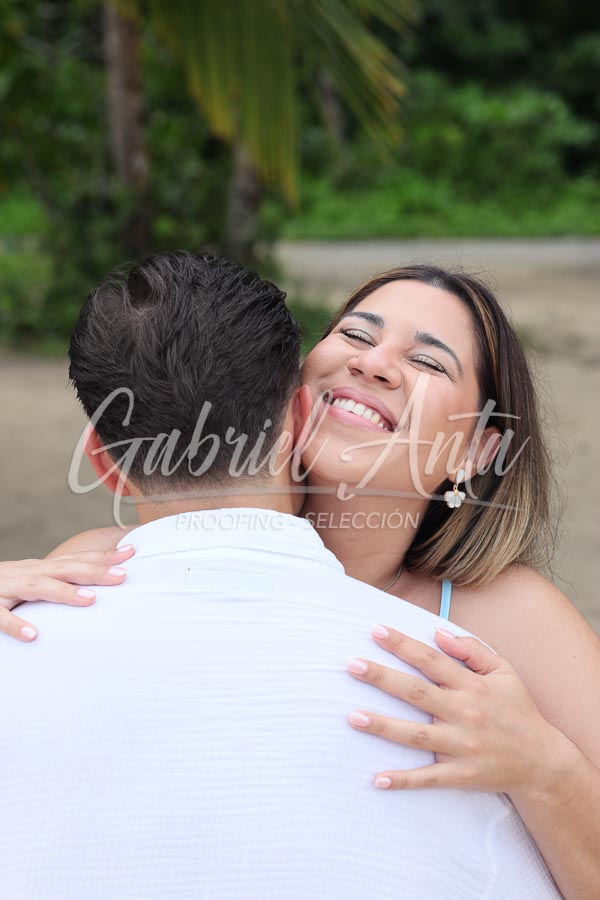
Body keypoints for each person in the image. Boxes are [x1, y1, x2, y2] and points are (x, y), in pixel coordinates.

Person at [2, 253, 599, 896]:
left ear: (477, 449)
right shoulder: (109, 561)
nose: (373, 363)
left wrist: (545, 770)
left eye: (428, 362)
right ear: (292, 391)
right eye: (356, 334)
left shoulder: (511, 619)